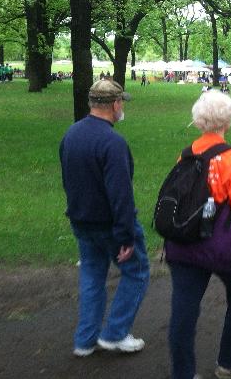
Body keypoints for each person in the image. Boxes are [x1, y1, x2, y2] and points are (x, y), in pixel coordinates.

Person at [165, 90, 231, 379]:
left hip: (184, 243)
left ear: (199, 121)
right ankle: (230, 363)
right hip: (221, 246)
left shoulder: (185, 155)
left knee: (183, 310)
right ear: (227, 122)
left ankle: (182, 373)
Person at [59, 79, 150, 357]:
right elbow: (120, 194)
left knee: (91, 275)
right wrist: (126, 236)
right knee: (137, 271)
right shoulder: (113, 143)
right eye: (122, 103)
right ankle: (115, 333)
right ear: (115, 104)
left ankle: (85, 340)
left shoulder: (71, 134)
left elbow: (68, 181)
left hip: (81, 221)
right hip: (109, 224)